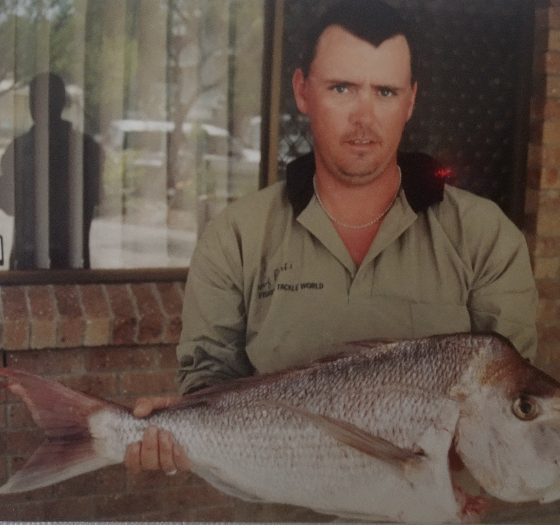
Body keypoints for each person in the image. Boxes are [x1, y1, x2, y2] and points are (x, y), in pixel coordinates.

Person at [125, 0, 538, 519]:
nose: (364, 117)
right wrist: (183, 425)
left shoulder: (484, 236)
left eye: (385, 92)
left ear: (411, 100)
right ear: (303, 90)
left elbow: (511, 396)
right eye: (342, 88)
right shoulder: (237, 236)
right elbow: (209, 378)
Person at [0, 72, 102, 269]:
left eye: (38, 100)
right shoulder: (87, 148)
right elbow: (97, 198)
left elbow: (8, 201)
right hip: (69, 260)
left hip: (34, 259)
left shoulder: (20, 149)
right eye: (33, 100)